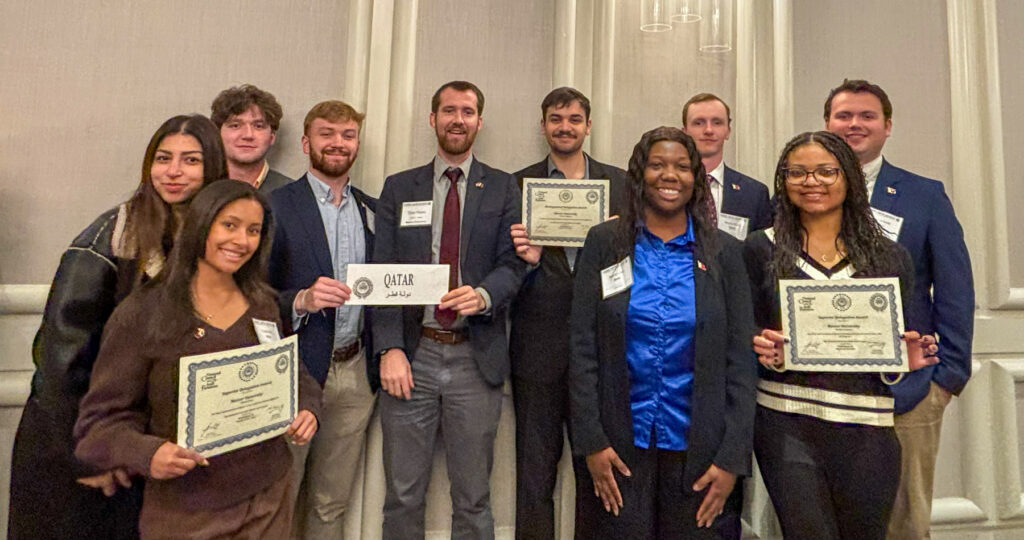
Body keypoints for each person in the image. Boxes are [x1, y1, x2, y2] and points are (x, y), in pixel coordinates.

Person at [8, 114, 227, 540]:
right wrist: (90, 456)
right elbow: (59, 366)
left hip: (136, 452)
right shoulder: (109, 240)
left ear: (213, 169)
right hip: (73, 446)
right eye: (163, 158)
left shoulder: (201, 244)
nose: (174, 171)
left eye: (191, 160)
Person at [73, 180, 321, 539]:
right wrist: (148, 453)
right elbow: (98, 426)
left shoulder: (262, 303)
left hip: (270, 499)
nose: (241, 241)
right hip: (188, 512)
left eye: (254, 230)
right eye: (229, 225)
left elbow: (293, 374)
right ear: (200, 225)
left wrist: (308, 407)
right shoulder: (143, 314)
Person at [745, 131, 939, 540]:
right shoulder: (759, 249)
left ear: (849, 177)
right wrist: (758, 343)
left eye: (825, 172)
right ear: (783, 182)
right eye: (797, 173)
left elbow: (894, 342)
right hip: (787, 421)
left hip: (867, 424)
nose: (811, 182)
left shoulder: (889, 256)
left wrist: (903, 359)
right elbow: (744, 328)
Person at [569, 126, 757, 539]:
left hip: (701, 451)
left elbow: (741, 363)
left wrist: (731, 461)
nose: (669, 175)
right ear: (639, 174)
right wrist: (592, 443)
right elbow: (582, 348)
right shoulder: (605, 243)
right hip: (617, 448)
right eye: (657, 165)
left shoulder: (724, 252)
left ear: (696, 179)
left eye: (681, 167)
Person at [372, 80, 526, 539]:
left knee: (474, 496)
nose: (457, 120)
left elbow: (513, 264)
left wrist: (484, 295)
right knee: (402, 494)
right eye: (448, 111)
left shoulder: (502, 187)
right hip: (412, 356)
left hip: (474, 357)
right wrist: (389, 349)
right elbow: (383, 273)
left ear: (479, 120)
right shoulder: (400, 187)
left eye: (467, 111)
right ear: (432, 118)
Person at [822, 79, 974, 540]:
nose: (854, 124)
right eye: (843, 116)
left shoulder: (924, 195)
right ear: (827, 124)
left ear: (888, 126)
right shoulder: (797, 192)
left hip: (907, 392)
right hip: (821, 391)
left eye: (867, 116)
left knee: (903, 525)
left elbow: (954, 289)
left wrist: (947, 378)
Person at [507, 86, 628, 540]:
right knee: (534, 475)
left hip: (604, 352)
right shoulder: (515, 185)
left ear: (588, 126)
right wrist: (526, 258)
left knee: (598, 469)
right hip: (538, 349)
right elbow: (502, 269)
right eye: (556, 119)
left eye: (574, 119)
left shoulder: (621, 185)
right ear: (543, 126)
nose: (565, 127)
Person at [267, 100, 377, 538]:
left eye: (347, 135)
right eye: (327, 134)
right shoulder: (275, 205)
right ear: (305, 142)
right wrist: (300, 300)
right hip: (294, 372)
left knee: (332, 504)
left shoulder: (373, 209)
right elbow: (249, 294)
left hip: (355, 376)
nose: (337, 143)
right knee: (279, 496)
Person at [681, 93, 771, 240]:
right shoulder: (669, 187)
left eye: (717, 122)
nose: (708, 130)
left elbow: (760, 254)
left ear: (728, 131)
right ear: (684, 132)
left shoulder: (755, 194)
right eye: (699, 123)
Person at [211, 84, 292, 193]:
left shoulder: (293, 195)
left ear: (272, 137)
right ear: (217, 133)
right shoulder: (198, 190)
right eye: (235, 125)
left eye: (258, 126)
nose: (247, 135)